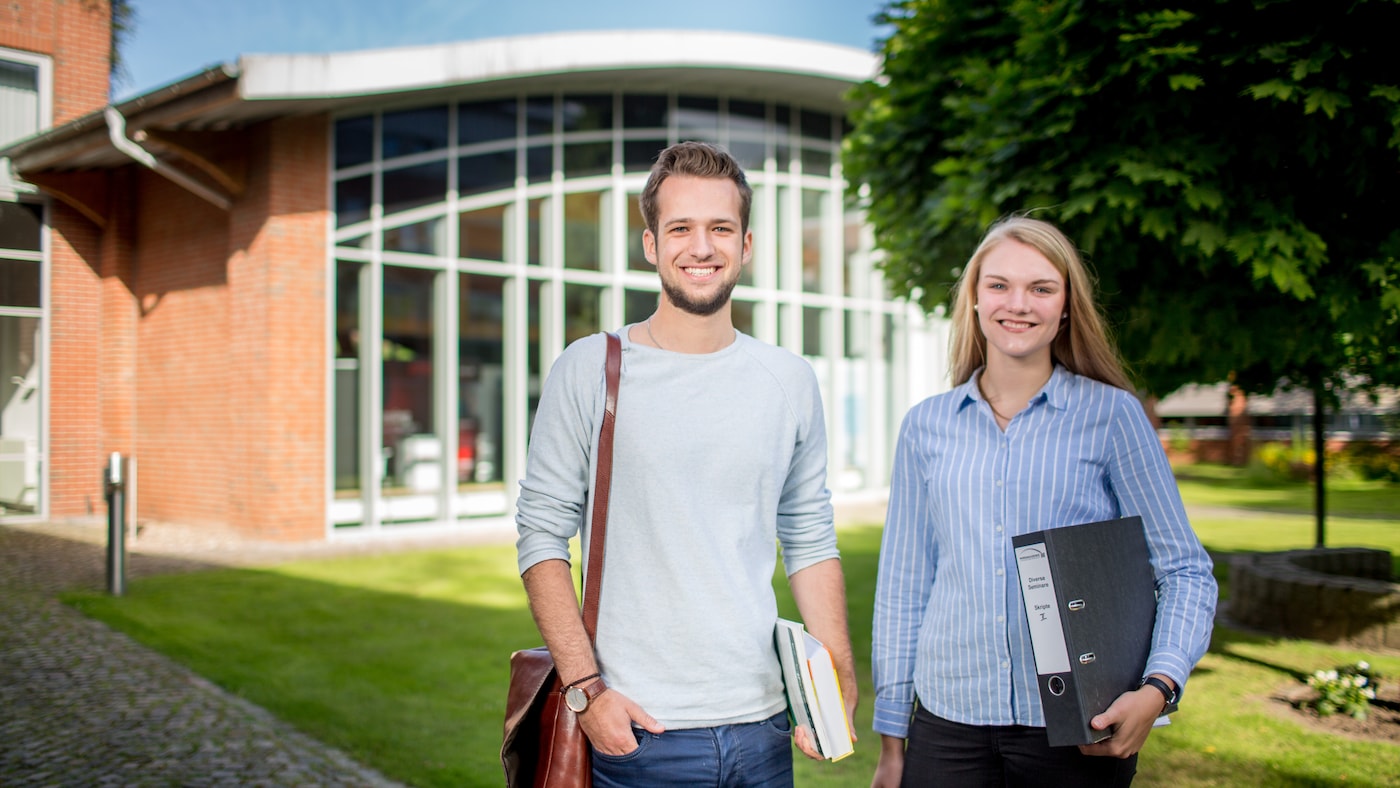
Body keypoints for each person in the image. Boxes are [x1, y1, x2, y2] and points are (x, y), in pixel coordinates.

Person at [516, 141, 858, 786]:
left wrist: (837, 672)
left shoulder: (788, 379)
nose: (701, 247)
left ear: (746, 243)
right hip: (637, 732)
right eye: (681, 228)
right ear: (650, 245)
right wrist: (587, 691)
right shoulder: (590, 368)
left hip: (764, 727)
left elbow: (810, 538)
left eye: (719, 228)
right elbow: (540, 534)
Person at [870, 216, 1217, 787]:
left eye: (1041, 288)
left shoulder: (1111, 417)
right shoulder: (925, 427)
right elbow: (904, 587)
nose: (1019, 304)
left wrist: (1158, 689)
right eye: (999, 285)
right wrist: (892, 738)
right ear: (975, 301)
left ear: (1064, 306)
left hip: (1079, 727)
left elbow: (1185, 571)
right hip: (947, 724)